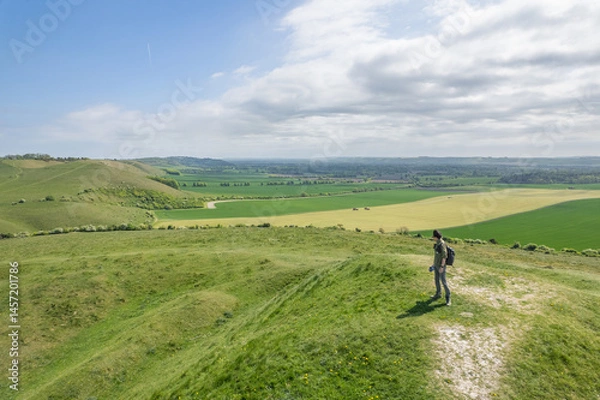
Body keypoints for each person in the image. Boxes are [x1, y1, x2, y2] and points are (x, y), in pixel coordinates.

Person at [430, 229, 451, 306]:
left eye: (433, 237)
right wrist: (433, 264)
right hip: (436, 265)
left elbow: (444, 256)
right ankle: (438, 293)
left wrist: (442, 266)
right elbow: (436, 255)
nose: (433, 238)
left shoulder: (442, 244)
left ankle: (448, 297)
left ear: (436, 237)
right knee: (436, 280)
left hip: (441, 266)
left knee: (443, 282)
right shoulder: (437, 243)